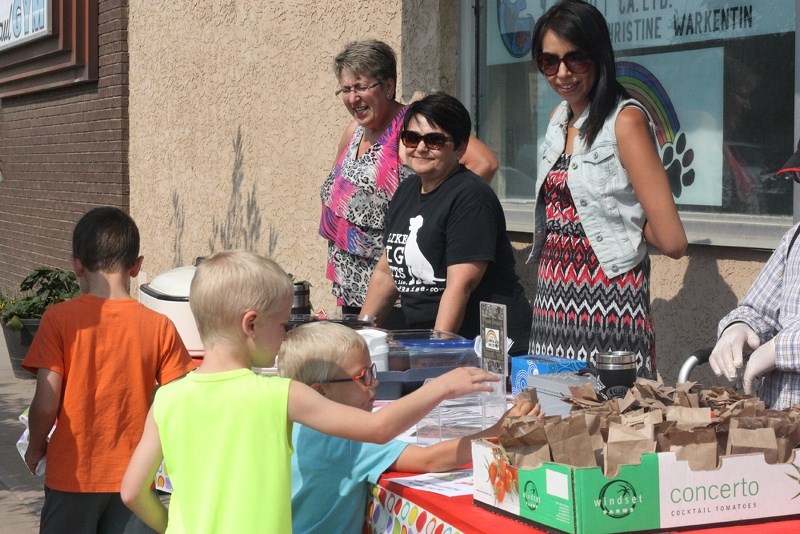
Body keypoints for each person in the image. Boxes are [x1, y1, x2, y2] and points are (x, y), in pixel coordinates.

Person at [120, 250, 499, 533]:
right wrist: (442, 387)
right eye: (283, 323)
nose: (286, 334)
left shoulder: (168, 398)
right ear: (251, 323)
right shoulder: (279, 394)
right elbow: (378, 430)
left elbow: (132, 491)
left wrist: (170, 525)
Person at [526, 0, 687, 378]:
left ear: (599, 57)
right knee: (552, 418)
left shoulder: (625, 121)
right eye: (549, 62)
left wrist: (623, 214)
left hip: (607, 299)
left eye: (575, 59)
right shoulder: (558, 118)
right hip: (552, 295)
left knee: (610, 424)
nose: (562, 73)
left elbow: (674, 241)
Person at [21, 206, 195, 534]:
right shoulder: (159, 326)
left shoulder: (58, 320)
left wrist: (36, 444)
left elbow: (46, 403)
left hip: (72, 475)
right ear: (136, 266)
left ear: (76, 264)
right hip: (136, 480)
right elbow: (181, 400)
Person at [278, 321, 542, 532]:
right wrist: (497, 431)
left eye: (372, 372)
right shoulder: (346, 440)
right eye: (362, 377)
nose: (374, 383)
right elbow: (432, 460)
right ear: (321, 393)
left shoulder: (285, 425)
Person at [319, 39, 499, 325]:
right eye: (347, 89)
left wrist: (441, 214)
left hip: (402, 295)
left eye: (362, 87)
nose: (353, 98)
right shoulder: (354, 130)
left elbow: (484, 162)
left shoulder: (413, 128)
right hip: (355, 290)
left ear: (388, 87)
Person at [359, 91, 533, 353]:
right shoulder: (406, 191)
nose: (420, 147)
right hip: (429, 340)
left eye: (435, 140)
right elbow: (387, 273)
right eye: (412, 137)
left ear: (460, 148)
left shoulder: (470, 198)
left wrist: (437, 353)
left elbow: (459, 286)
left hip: (480, 347)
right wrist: (360, 336)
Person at [709, 144, 800, 409]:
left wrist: (777, 350)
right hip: (777, 426)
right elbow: (758, 309)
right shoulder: (794, 239)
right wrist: (739, 327)